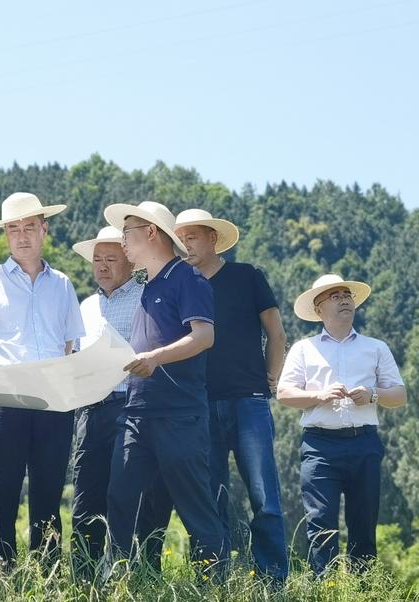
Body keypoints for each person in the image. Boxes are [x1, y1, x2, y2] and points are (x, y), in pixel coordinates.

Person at [102, 200, 227, 575]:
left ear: (151, 232)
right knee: (120, 498)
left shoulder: (189, 279)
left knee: (195, 507)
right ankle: (119, 581)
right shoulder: (147, 285)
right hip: (137, 414)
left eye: (126, 233)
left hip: (179, 415)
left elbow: (204, 336)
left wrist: (156, 357)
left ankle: (214, 585)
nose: (122, 242)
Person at [174, 209, 288, 582]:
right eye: (180, 239)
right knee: (209, 498)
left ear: (214, 239)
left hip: (249, 400)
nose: (185, 245)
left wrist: (271, 380)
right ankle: (212, 580)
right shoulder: (181, 284)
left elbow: (276, 333)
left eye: (192, 236)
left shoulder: (247, 275)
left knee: (264, 496)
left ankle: (273, 582)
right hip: (199, 404)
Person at [0, 192, 85, 567]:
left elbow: (70, 344)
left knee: (49, 493)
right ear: (5, 234)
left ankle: (49, 573)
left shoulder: (63, 284)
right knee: (0, 492)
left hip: (53, 401)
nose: (21, 236)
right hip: (3, 400)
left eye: (29, 227)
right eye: (13, 229)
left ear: (44, 230)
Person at [277, 274, 406, 575]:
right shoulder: (303, 349)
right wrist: (319, 396)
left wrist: (372, 395)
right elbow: (284, 393)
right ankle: (326, 589)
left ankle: (363, 589)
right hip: (319, 446)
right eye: (335, 296)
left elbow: (399, 395)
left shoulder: (376, 347)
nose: (345, 300)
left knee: (364, 525)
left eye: (347, 295)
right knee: (320, 524)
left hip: (365, 443)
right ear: (318, 309)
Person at [69, 226, 143, 580]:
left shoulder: (145, 298)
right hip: (90, 409)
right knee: (85, 497)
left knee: (124, 496)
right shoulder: (85, 306)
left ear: (130, 261)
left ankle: (124, 577)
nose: (101, 266)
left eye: (111, 259)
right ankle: (83, 580)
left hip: (130, 407)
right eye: (97, 259)